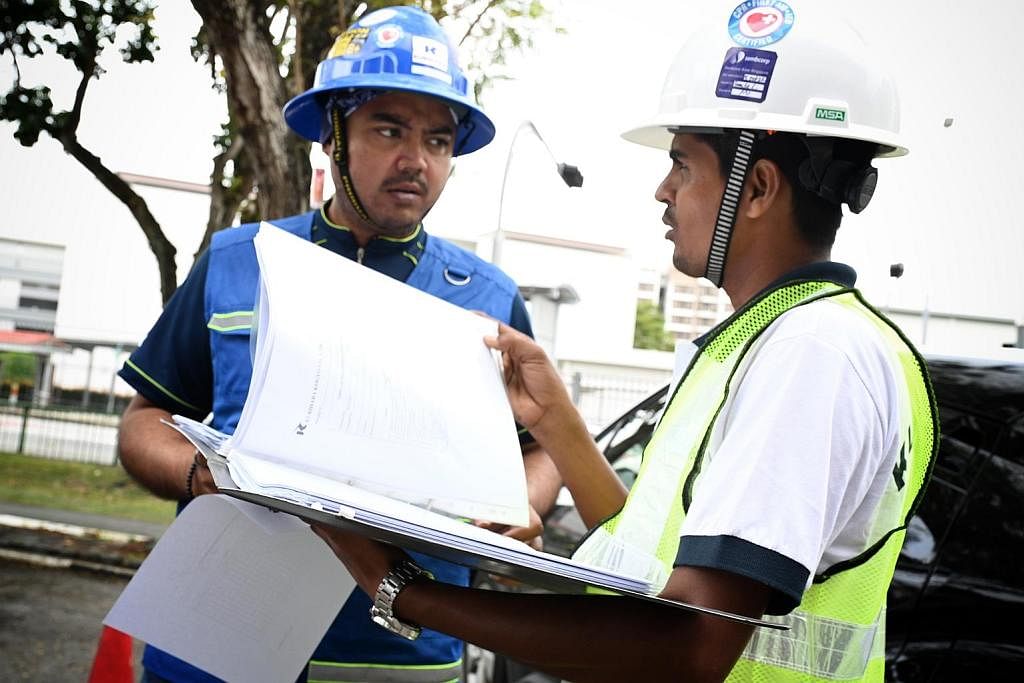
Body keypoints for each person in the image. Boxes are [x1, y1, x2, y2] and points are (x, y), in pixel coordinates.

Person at [312, 2, 938, 681]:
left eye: (683, 166)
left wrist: (409, 592)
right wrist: (557, 424)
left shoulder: (815, 352)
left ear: (755, 188)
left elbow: (690, 640)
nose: (662, 190)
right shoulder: (771, 340)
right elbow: (649, 562)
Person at [116, 6, 561, 682]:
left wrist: (521, 504)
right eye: (389, 130)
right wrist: (199, 472)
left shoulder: (490, 299)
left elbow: (541, 456)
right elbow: (144, 420)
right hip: (218, 644)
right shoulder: (239, 260)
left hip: (398, 657)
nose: (417, 161)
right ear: (332, 135)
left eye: (439, 141)